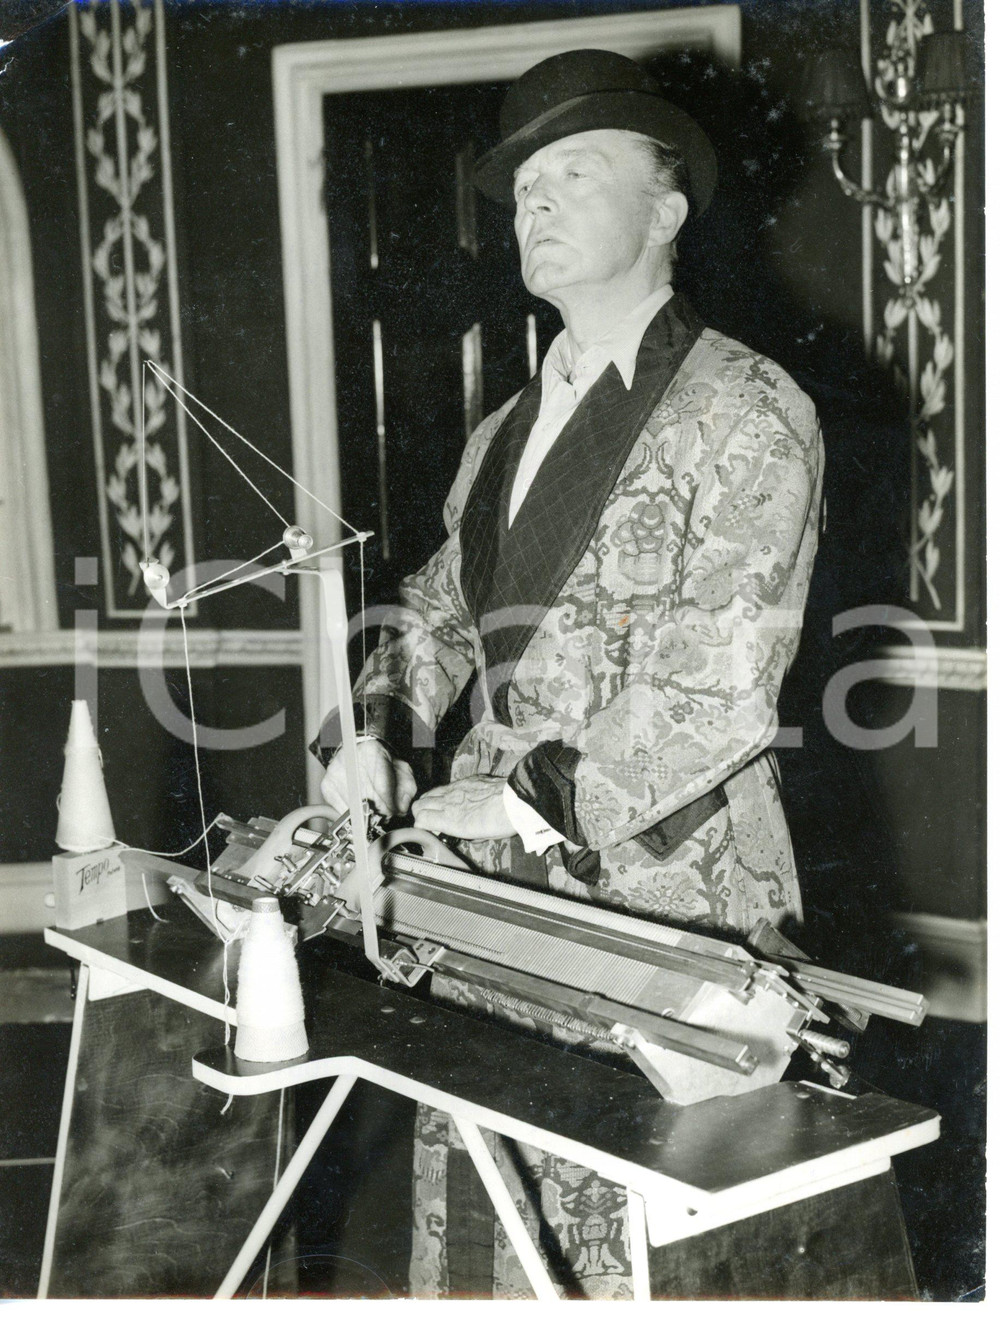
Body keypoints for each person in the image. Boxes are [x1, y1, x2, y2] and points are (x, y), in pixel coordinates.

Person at [312, 49, 824, 1298]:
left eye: (573, 172)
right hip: (488, 890)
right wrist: (376, 724)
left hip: (667, 881)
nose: (532, 201)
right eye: (524, 183)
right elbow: (435, 606)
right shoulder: (502, 429)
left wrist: (525, 798)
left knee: (651, 1226)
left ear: (665, 210)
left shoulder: (748, 407)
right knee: (499, 1202)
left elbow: (721, 676)